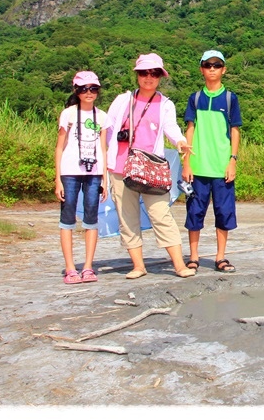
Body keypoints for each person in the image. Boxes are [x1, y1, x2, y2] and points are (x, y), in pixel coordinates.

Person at [105, 53, 195, 279]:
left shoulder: (165, 104)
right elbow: (108, 130)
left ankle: (179, 265)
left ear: (160, 77)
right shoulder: (123, 100)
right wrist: (104, 163)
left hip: (151, 167)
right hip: (120, 166)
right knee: (127, 216)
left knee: (160, 213)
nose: (148, 77)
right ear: (137, 75)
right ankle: (138, 266)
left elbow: (171, 127)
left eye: (154, 73)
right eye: (144, 73)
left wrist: (181, 142)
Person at [182, 50, 242, 273]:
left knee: (223, 212)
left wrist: (232, 160)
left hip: (221, 166)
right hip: (198, 167)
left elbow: (235, 131)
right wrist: (187, 162)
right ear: (202, 69)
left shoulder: (230, 98)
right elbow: (190, 129)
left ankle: (220, 257)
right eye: (208, 65)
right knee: (194, 212)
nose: (212, 69)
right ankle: (194, 257)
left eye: (217, 65)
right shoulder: (195, 98)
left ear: (224, 69)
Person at [54, 71, 108, 284]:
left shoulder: (102, 117)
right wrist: (57, 178)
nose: (89, 93)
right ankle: (70, 268)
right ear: (76, 90)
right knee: (67, 218)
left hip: (93, 173)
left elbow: (104, 149)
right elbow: (59, 147)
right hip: (69, 172)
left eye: (93, 89)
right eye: (84, 89)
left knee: (91, 218)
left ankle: (87, 267)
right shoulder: (68, 114)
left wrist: (105, 179)